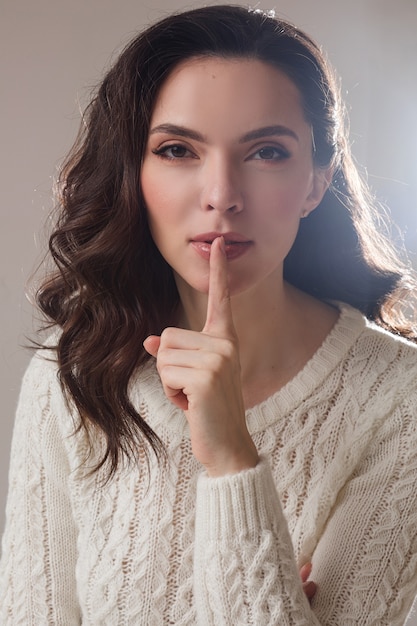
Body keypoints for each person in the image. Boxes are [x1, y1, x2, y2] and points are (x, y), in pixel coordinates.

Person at [1, 4, 417, 624]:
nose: (222, 195)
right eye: (176, 150)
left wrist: (231, 458)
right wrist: (273, 592)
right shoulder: (71, 372)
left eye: (267, 152)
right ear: (133, 176)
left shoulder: (400, 398)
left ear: (315, 180)